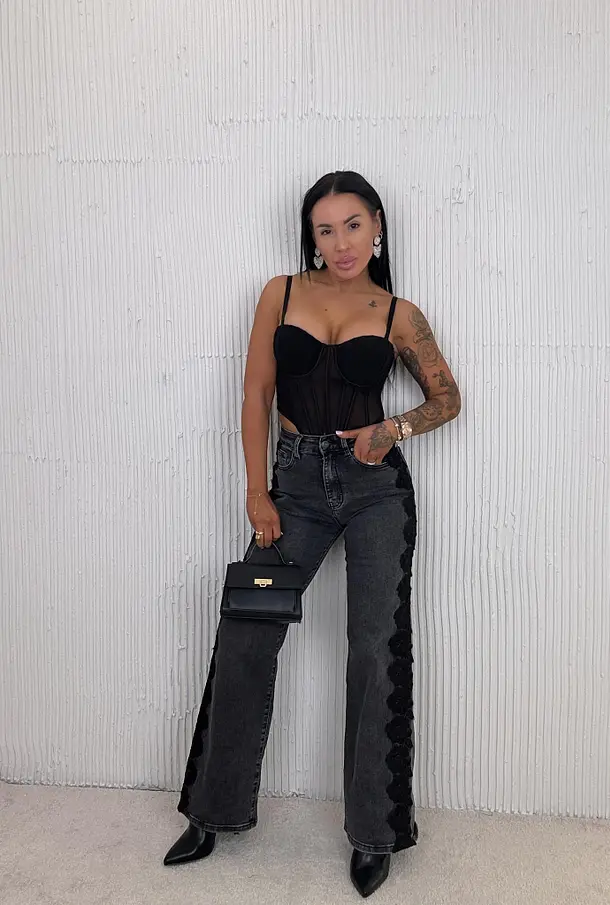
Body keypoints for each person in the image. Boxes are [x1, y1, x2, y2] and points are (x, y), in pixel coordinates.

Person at [163, 170, 461, 898]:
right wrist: (256, 490)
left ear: (377, 226)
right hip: (294, 484)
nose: (340, 242)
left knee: (375, 650)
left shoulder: (398, 313)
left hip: (375, 490)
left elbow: (447, 398)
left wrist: (392, 429)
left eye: (353, 225)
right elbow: (257, 391)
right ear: (312, 237)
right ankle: (214, 810)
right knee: (247, 632)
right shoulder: (282, 292)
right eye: (325, 229)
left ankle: (375, 832)